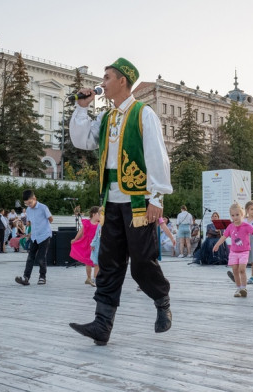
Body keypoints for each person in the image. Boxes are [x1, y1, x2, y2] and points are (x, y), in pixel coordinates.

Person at [68, 58, 173, 345]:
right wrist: (81, 107)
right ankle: (102, 324)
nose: (101, 83)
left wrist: (157, 196)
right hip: (110, 201)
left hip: (138, 200)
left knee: (141, 263)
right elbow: (82, 140)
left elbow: (157, 155)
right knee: (109, 262)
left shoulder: (143, 114)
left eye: (106, 77)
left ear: (122, 81)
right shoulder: (107, 117)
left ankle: (162, 300)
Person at [213, 203, 253, 298]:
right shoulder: (230, 226)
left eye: (237, 215)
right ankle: (238, 288)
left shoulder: (246, 226)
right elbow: (224, 236)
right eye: (233, 215)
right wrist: (217, 244)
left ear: (242, 214)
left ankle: (243, 288)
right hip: (233, 252)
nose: (235, 217)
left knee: (242, 269)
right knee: (235, 270)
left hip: (244, 252)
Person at [15, 189, 53, 286]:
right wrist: (24, 223)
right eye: (27, 204)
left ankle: (42, 277)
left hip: (44, 235)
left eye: (30, 202)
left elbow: (51, 219)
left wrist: (44, 223)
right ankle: (26, 277)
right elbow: (30, 222)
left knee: (41, 257)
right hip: (34, 236)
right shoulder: (28, 210)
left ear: (34, 198)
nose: (29, 205)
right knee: (30, 257)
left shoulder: (43, 208)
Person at [70, 206, 101, 287]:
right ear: (94, 214)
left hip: (95, 245)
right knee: (88, 262)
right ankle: (89, 278)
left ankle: (96, 278)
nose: (101, 216)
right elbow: (81, 232)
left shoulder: (99, 224)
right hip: (86, 244)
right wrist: (75, 239)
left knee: (96, 262)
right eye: (99, 214)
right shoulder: (87, 223)